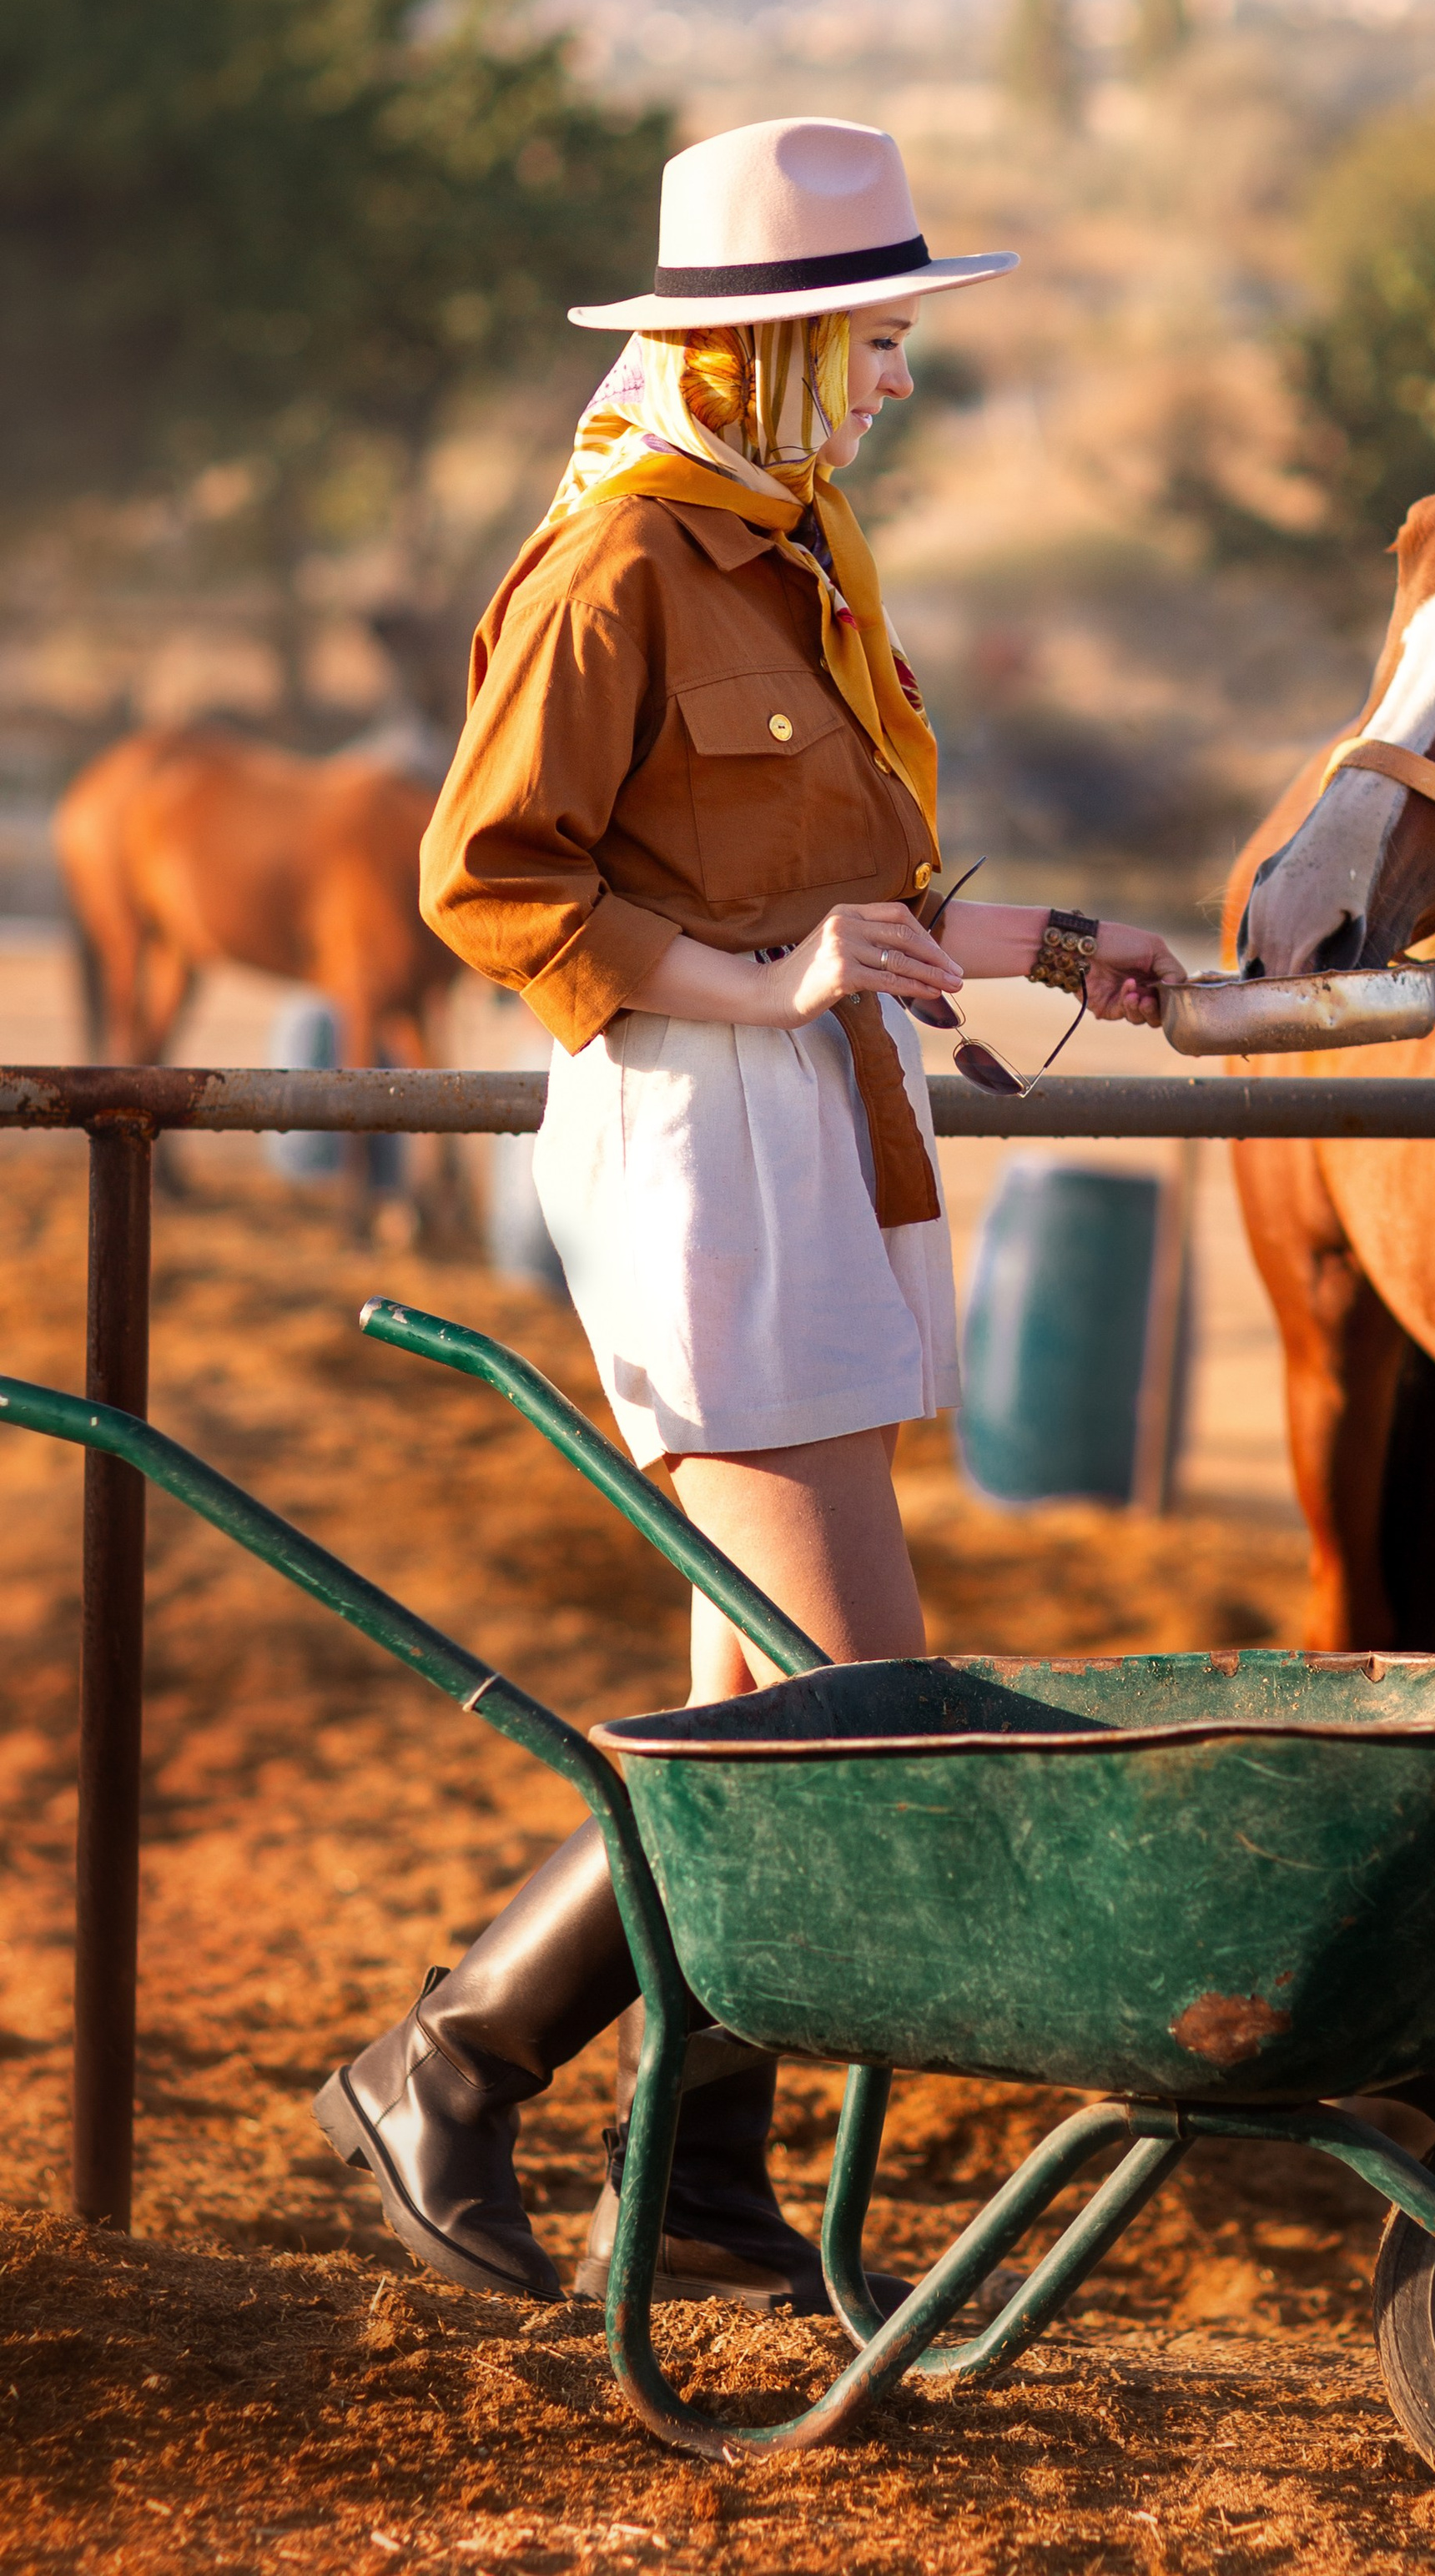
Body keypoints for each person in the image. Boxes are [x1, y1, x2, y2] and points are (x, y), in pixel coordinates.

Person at [314, 115, 1187, 2313]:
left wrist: (1057, 944)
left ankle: (703, 2170)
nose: (897, 378)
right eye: (874, 341)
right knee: (853, 1697)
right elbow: (488, 884)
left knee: (759, 1714)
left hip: (819, 1125)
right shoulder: (619, 565)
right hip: (700, 1143)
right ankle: (442, 2064)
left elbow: (838, 898)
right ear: (763, 351)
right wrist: (770, 986)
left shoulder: (791, 551)